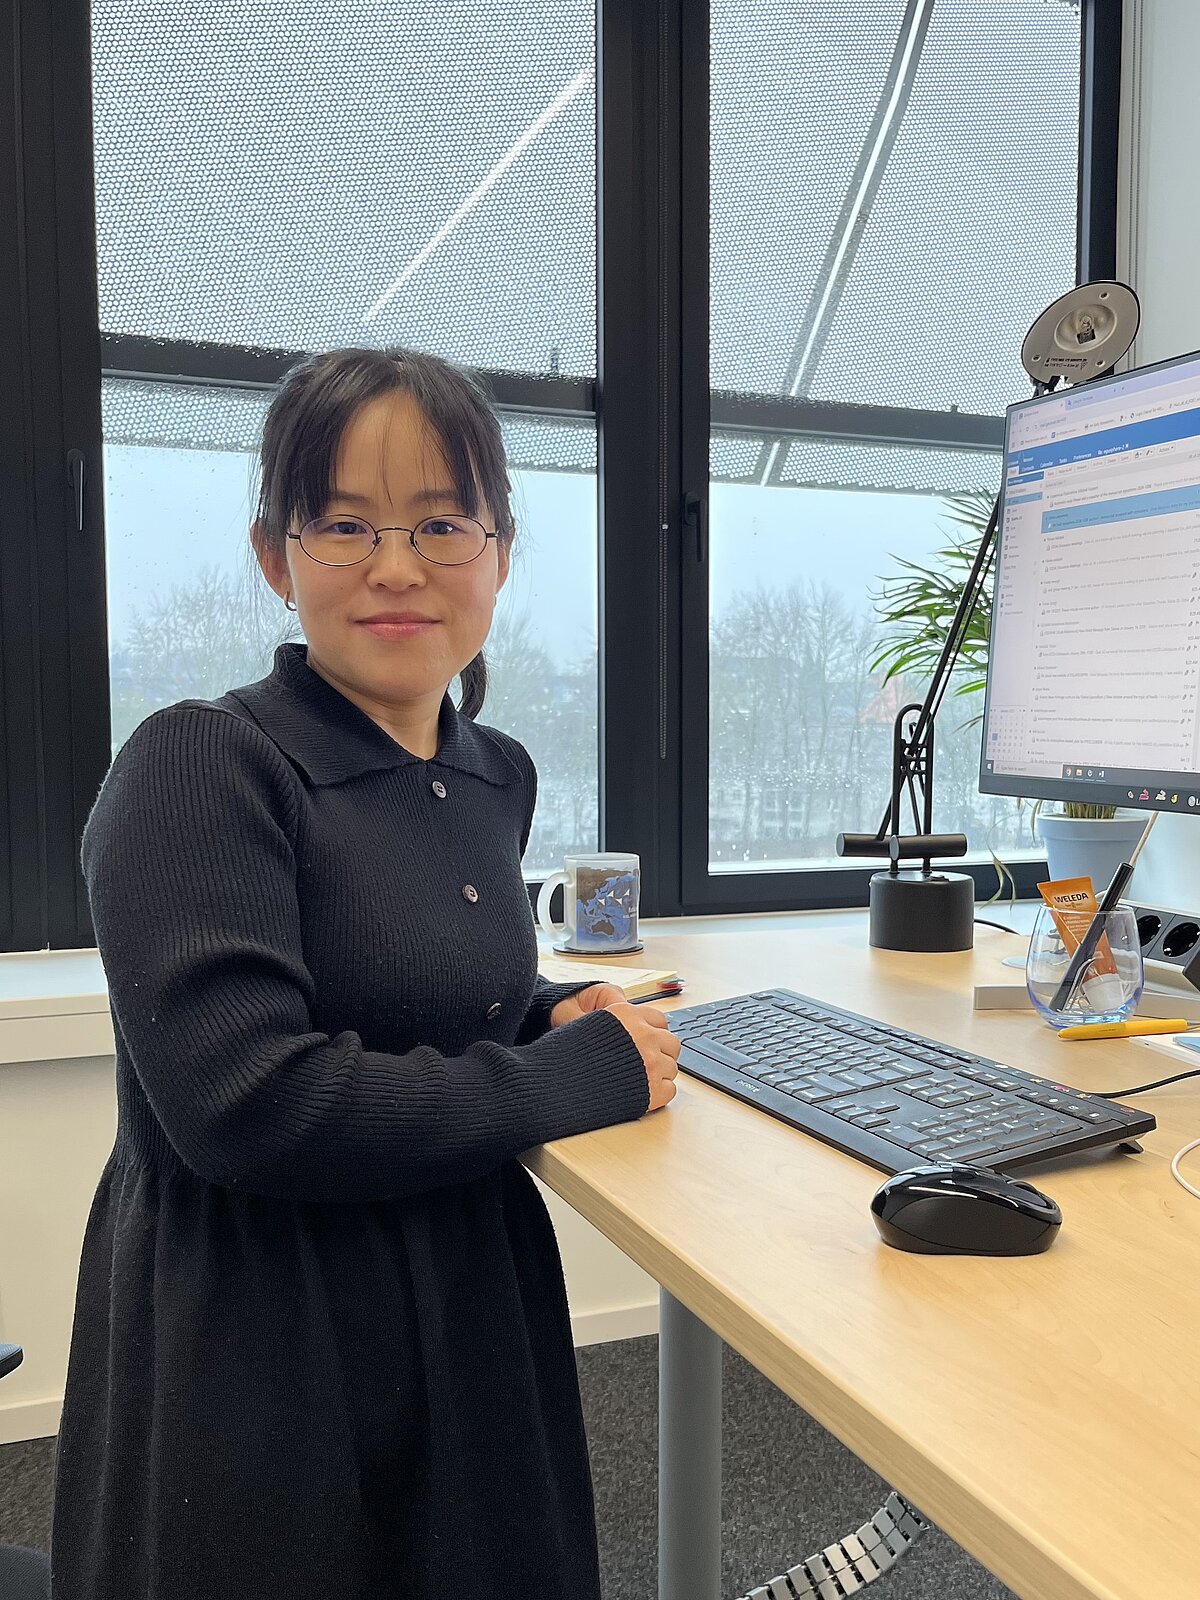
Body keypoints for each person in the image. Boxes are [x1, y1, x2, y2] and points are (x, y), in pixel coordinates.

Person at [49, 346, 681, 1600]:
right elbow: (250, 1102)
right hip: (263, 1334)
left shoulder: (494, 771)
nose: (397, 566)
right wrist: (578, 1076)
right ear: (275, 557)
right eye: (344, 525)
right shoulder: (198, 764)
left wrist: (545, 1009)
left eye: (442, 523)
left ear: (500, 552)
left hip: (467, 1285)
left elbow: (404, 976)